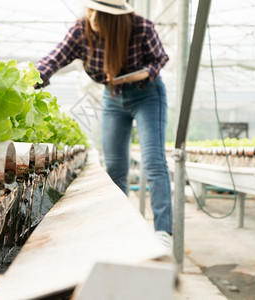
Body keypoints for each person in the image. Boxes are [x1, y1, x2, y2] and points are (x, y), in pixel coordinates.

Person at [34, 0, 173, 251]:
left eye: (101, 13)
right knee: (114, 168)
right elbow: (53, 60)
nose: (93, 17)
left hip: (147, 95)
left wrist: (143, 73)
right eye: (92, 10)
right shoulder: (81, 30)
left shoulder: (141, 27)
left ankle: (163, 233)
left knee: (153, 161)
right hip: (113, 97)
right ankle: (116, 229)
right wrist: (29, 81)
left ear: (116, 19)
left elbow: (159, 59)